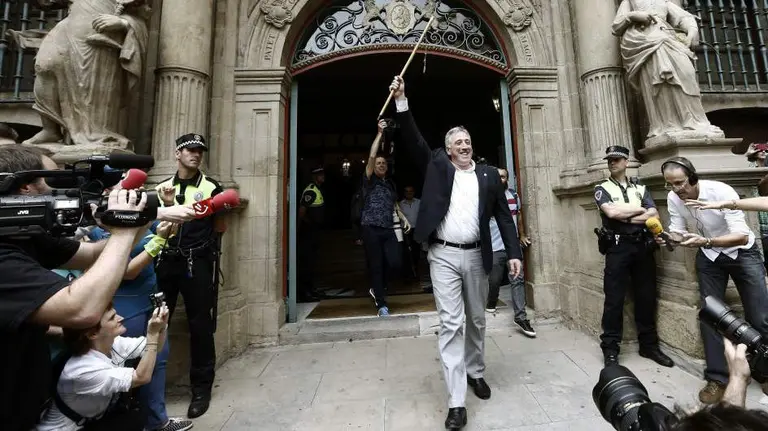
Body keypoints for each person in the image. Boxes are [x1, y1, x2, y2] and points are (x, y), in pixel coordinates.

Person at [389, 76, 522, 430]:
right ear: (448, 150)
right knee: (451, 323)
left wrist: (513, 253)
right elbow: (414, 141)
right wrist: (402, 101)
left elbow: (504, 218)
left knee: (477, 319)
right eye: (457, 142)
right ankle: (456, 401)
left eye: (467, 141)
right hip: (444, 255)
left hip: (478, 256)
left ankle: (476, 371)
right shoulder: (437, 165)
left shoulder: (489, 175)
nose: (464, 145)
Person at [0, 145, 149, 431]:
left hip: (28, 401)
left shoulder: (26, 233)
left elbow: (94, 254)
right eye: (54, 182)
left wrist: (141, 219)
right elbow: (81, 310)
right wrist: (123, 230)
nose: (63, 191)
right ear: (27, 188)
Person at [657, 156, 768, 404]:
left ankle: (764, 371)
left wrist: (705, 241)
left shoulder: (720, 192)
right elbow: (677, 226)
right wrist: (671, 238)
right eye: (671, 184)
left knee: (760, 314)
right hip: (709, 255)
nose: (677, 189)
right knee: (711, 315)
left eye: (681, 183)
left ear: (693, 177)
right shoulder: (674, 198)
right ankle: (718, 378)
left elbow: (739, 236)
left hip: (742, 252)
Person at [87, 218, 193, 431]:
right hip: (127, 306)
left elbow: (165, 231)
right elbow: (127, 271)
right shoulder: (99, 233)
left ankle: (157, 420)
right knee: (130, 364)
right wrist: (158, 241)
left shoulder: (138, 223)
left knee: (159, 357)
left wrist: (171, 218)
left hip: (150, 299)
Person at [154, 133, 226, 419]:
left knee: (200, 324)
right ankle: (149, 385)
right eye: (190, 150)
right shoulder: (162, 187)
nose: (195, 155)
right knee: (157, 323)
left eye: (199, 151)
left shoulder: (211, 187)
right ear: (177, 153)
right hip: (165, 261)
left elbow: (220, 225)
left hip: (197, 263)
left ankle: (201, 388)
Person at [593, 145, 673, 368]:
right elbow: (612, 213)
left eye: (617, 159)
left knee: (646, 297)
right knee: (614, 300)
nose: (612, 163)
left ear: (626, 162)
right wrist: (639, 212)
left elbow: (654, 214)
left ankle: (649, 346)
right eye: (610, 160)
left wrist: (627, 216)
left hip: (642, 246)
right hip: (617, 248)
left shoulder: (641, 187)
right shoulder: (602, 188)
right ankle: (610, 349)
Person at [37, 303, 169, 430]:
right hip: (65, 428)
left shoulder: (112, 343)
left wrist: (161, 327)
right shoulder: (82, 370)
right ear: (93, 334)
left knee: (132, 419)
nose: (121, 318)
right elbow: (141, 377)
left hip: (92, 421)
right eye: (112, 318)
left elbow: (153, 348)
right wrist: (152, 334)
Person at [360, 120, 410, 316]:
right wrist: (380, 134)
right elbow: (372, 155)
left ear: (387, 168)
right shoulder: (369, 180)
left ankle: (377, 287)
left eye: (383, 163)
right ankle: (381, 303)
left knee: (396, 262)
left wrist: (402, 216)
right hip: (370, 227)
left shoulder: (389, 184)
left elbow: (394, 204)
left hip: (388, 228)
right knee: (377, 265)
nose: (380, 165)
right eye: (378, 163)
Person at [485, 168, 536, 337]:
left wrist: (521, 234)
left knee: (517, 279)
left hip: (512, 246)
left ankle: (520, 317)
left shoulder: (513, 196)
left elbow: (518, 216)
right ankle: (491, 302)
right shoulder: (486, 197)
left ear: (507, 179)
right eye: (497, 176)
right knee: (495, 279)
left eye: (503, 176)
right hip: (494, 246)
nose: (500, 179)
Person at [298, 166, 326, 302]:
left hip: (314, 232)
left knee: (312, 261)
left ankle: (310, 288)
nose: (323, 176)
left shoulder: (318, 189)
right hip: (307, 233)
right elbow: (301, 212)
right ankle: (305, 291)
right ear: (314, 176)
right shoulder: (311, 191)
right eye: (320, 174)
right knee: (306, 263)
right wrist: (303, 228)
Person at [399, 185, 421, 280]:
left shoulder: (419, 202)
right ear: (404, 193)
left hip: (417, 230)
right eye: (407, 191)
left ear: (413, 192)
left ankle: (416, 271)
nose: (409, 193)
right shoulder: (400, 204)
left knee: (416, 252)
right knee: (407, 253)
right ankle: (408, 274)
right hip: (405, 231)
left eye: (411, 191)